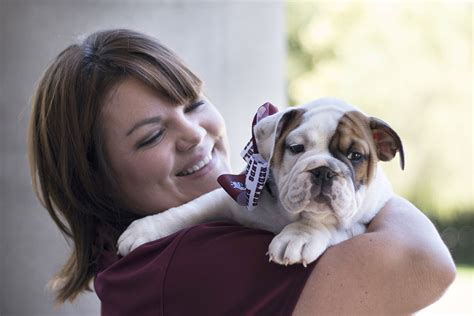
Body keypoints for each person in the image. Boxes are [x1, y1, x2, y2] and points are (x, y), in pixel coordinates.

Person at [28, 29, 455, 315]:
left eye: (193, 103)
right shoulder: (184, 264)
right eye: (151, 136)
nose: (194, 135)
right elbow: (423, 263)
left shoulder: (133, 257)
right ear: (92, 176)